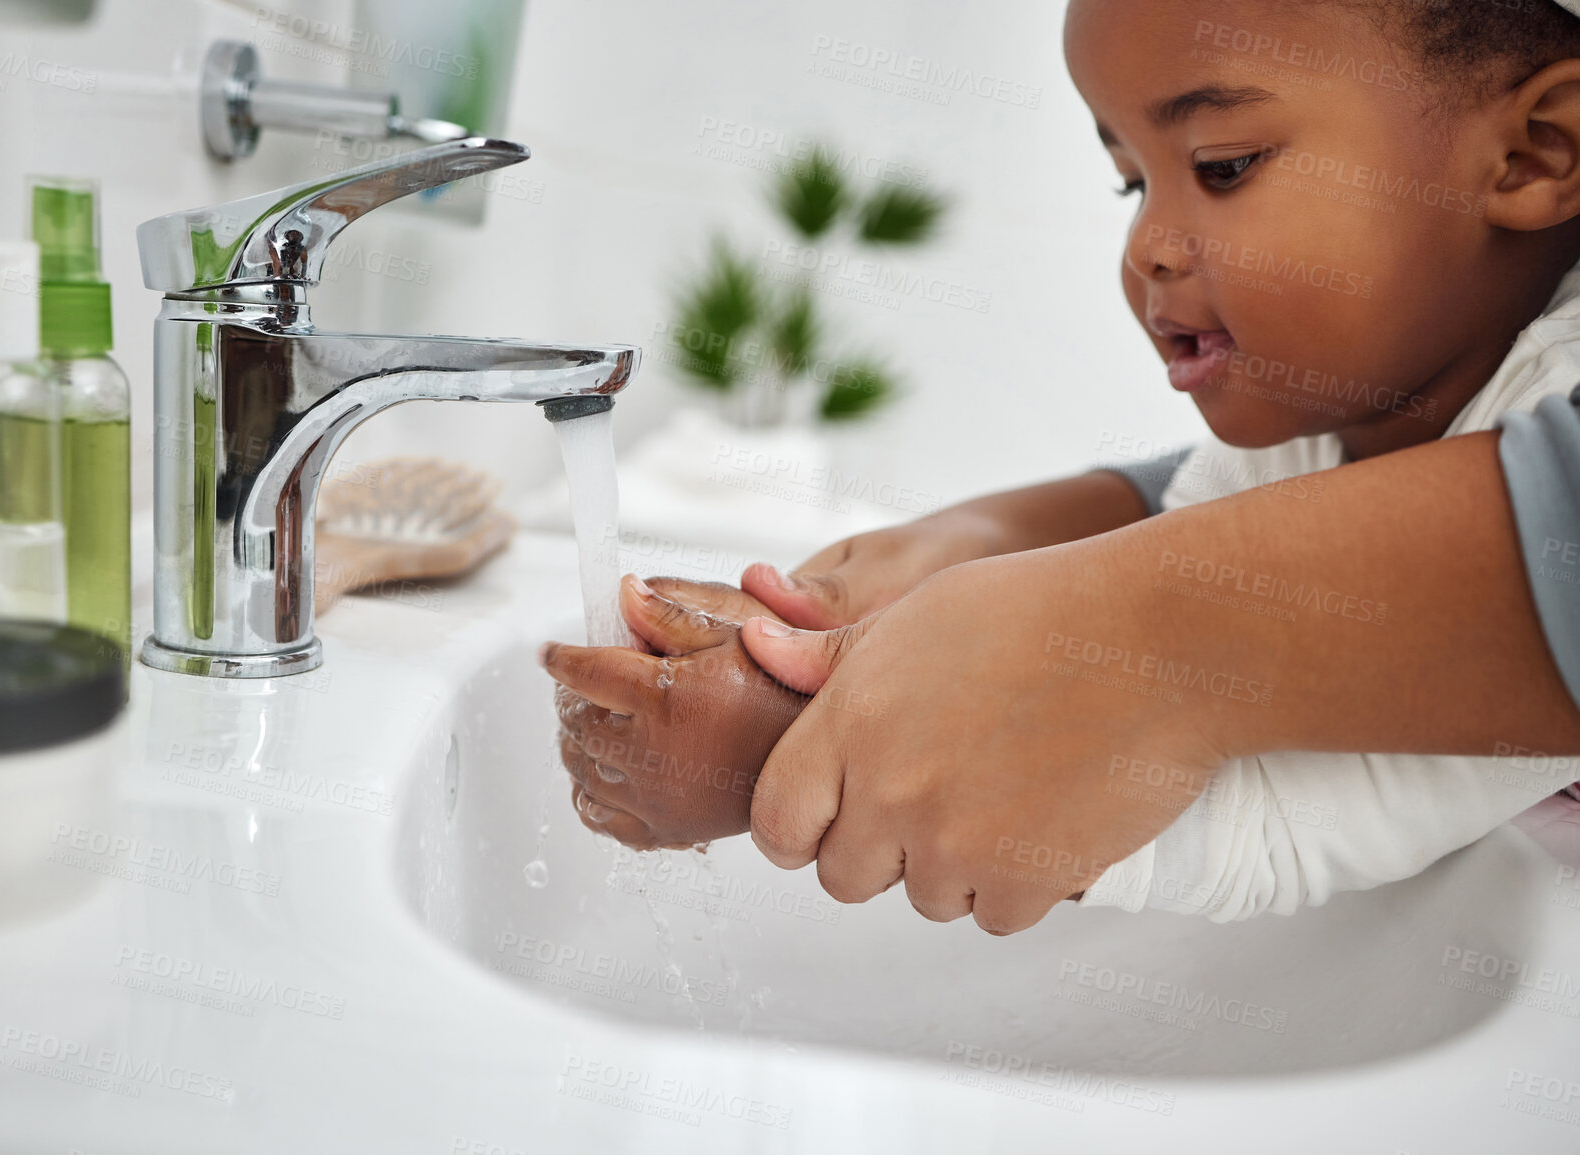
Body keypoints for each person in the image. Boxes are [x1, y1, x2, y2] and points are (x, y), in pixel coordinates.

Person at [542, 0, 1580, 932]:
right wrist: (936, 569)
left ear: (1536, 153)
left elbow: (1284, 822)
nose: (1148, 248)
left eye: (1222, 164)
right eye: (1132, 181)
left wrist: (788, 743)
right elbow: (1183, 564)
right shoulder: (1327, 412)